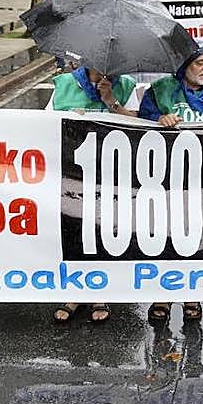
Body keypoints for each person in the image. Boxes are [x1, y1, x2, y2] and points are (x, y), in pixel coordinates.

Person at [138, 46, 203, 323]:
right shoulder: (161, 91)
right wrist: (158, 120)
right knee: (167, 238)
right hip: (168, 181)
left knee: (197, 239)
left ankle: (191, 295)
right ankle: (163, 295)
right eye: (199, 63)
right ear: (185, 67)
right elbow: (138, 125)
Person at [47, 65, 140, 324]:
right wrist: (67, 119)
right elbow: (43, 126)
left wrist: (111, 102)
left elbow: (138, 126)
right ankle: (76, 291)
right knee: (75, 230)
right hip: (72, 175)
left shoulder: (126, 85)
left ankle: (99, 292)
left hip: (111, 174)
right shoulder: (64, 84)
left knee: (102, 231)